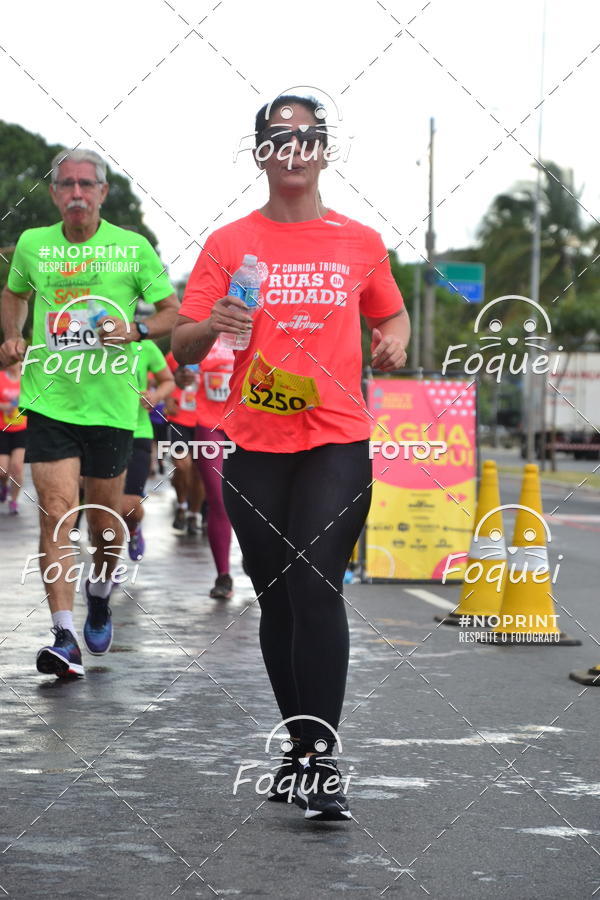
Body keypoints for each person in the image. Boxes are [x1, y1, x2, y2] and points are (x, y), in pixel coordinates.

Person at [172, 95, 409, 820]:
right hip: (255, 446)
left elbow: (389, 309)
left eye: (308, 137)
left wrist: (393, 337)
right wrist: (213, 322)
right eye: (281, 138)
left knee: (316, 586)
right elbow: (180, 345)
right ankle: (301, 747)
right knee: (275, 594)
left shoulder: (360, 241)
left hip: (337, 436)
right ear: (262, 154)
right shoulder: (228, 243)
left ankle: (324, 760)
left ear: (325, 151)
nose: (295, 149)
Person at [0, 148, 179, 678]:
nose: (77, 194)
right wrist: (12, 335)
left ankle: (99, 592)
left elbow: (173, 312)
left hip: (111, 406)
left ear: (102, 192)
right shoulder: (34, 245)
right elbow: (15, 294)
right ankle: (62, 634)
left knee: (105, 523)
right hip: (51, 400)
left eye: (87, 185)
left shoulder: (132, 249)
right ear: (55, 194)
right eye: (67, 185)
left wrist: (137, 329)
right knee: (56, 512)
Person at [122, 339, 174, 561]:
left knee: (129, 507)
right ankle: (107, 568)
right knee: (102, 506)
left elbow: (167, 381)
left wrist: (155, 396)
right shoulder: (91, 342)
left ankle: (133, 529)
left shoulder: (145, 346)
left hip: (137, 432)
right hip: (97, 432)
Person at [193, 336, 235, 599]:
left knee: (257, 499)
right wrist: (183, 377)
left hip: (252, 423)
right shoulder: (203, 328)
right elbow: (182, 368)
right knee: (219, 498)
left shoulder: (260, 323)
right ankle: (223, 575)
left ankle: (257, 558)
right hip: (211, 424)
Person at [164, 352, 205, 535]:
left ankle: (193, 514)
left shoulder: (221, 353)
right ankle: (181, 504)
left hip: (206, 420)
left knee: (199, 472)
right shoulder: (178, 351)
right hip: (179, 418)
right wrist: (167, 399)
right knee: (181, 466)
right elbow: (161, 377)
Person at [0, 362, 27, 514]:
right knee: (3, 471)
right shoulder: (1, 378)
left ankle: (14, 501)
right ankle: (3, 486)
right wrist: (4, 407)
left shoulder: (27, 380)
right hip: (2, 429)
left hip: (21, 430)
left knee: (17, 467)